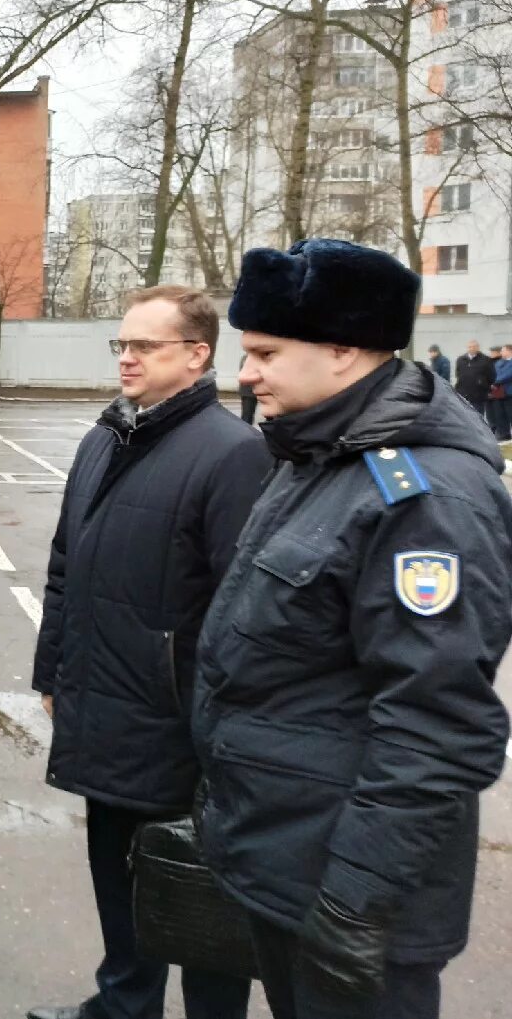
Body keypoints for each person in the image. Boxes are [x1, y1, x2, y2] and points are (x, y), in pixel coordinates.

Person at [195, 239, 512, 1019]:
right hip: (288, 863)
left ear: (344, 350)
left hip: (350, 898)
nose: (246, 373)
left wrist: (354, 902)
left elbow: (437, 724)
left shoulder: (425, 495)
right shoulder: (318, 456)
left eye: (265, 351)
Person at [29, 285, 267, 1019]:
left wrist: (220, 730)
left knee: (197, 904)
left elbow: (244, 614)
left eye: (144, 346)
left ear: (197, 355)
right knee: (119, 887)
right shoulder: (105, 437)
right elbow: (66, 561)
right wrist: (51, 671)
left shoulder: (233, 455)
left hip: (182, 732)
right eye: (121, 344)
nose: (126, 357)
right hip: (105, 709)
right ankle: (122, 1008)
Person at [453, 339, 493, 417]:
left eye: (474, 347)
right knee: (464, 417)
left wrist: (485, 386)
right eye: (469, 347)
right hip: (463, 393)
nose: (471, 349)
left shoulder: (485, 359)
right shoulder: (461, 360)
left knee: (478, 416)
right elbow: (458, 374)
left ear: (478, 348)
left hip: (478, 394)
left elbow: (491, 376)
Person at [490, 344, 512, 441]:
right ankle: (504, 434)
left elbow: (508, 374)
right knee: (499, 414)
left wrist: (496, 381)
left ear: (509, 351)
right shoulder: (498, 362)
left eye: (503, 351)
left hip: (509, 392)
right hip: (498, 392)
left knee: (510, 413)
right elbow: (494, 373)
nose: (501, 353)